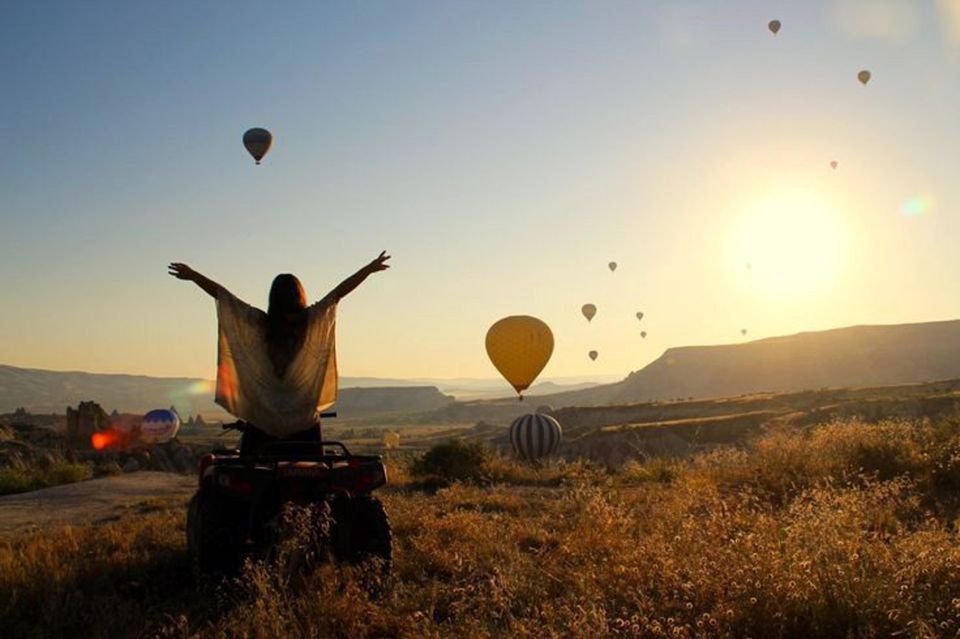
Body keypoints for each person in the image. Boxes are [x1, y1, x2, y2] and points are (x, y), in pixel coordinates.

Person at [168, 251, 390, 452]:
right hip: (304, 423)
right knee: (313, 481)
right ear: (300, 296)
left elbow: (223, 297)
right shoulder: (310, 322)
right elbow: (338, 294)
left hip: (262, 421)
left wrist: (194, 275)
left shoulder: (260, 323)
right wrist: (368, 269)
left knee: (252, 479)